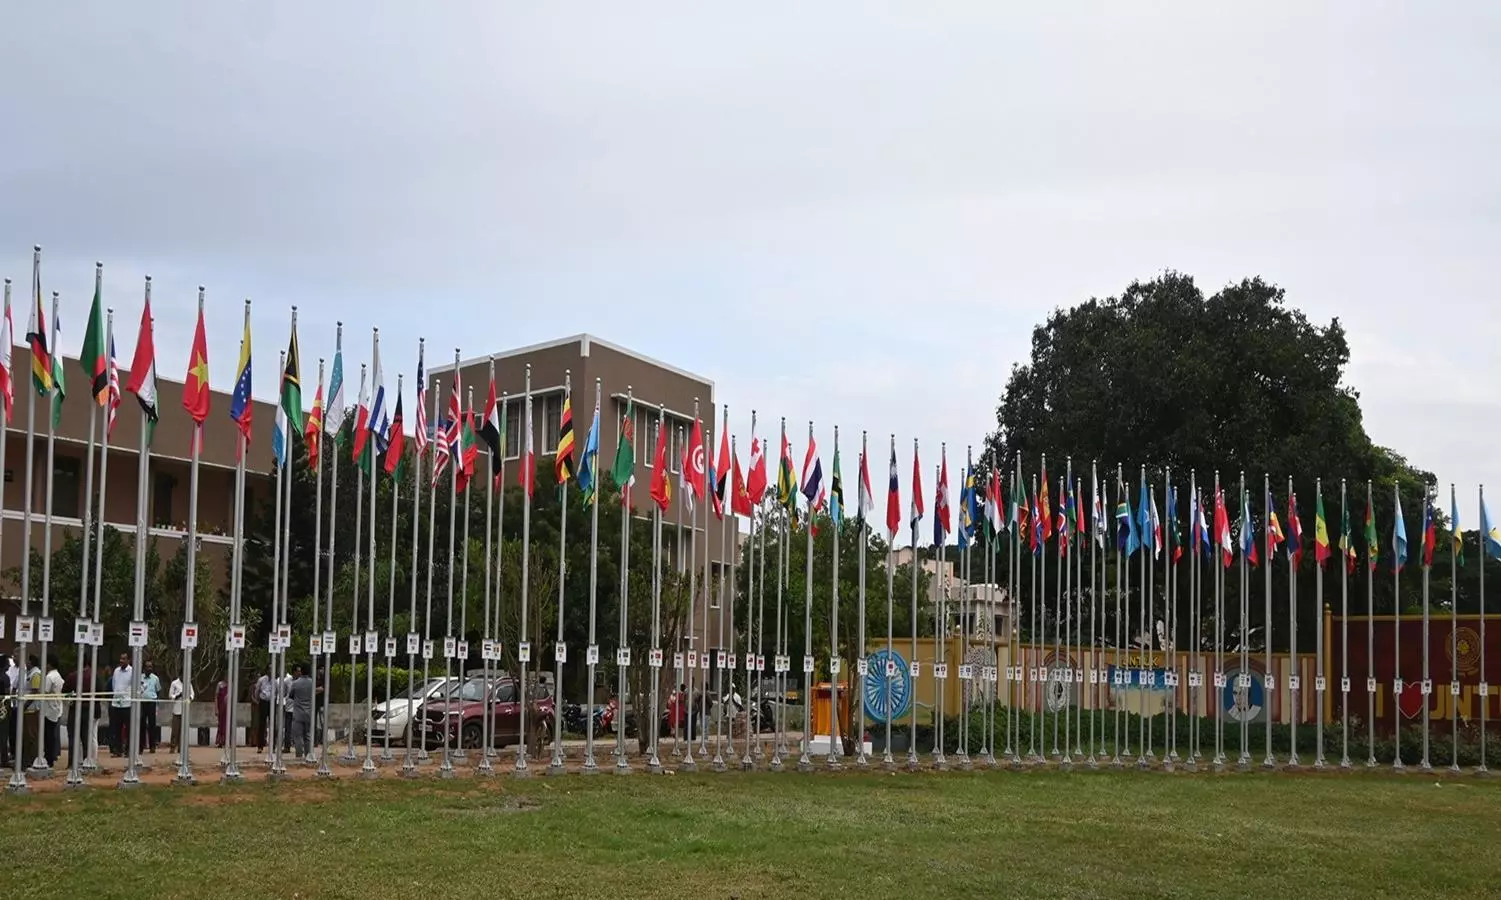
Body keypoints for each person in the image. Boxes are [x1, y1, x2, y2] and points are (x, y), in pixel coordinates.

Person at [108, 653, 133, 756]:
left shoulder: (132, 671)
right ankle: (118, 750)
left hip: (127, 704)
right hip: (116, 704)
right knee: (116, 728)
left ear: (128, 660)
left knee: (129, 729)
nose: (121, 661)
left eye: (124, 659)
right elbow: (114, 685)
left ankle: (128, 751)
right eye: (120, 658)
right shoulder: (116, 671)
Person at [288, 664, 314, 758]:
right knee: (308, 736)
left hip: (298, 713)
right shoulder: (312, 682)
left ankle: (299, 756)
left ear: (301, 671)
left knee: (298, 736)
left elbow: (291, 695)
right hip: (309, 713)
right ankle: (308, 756)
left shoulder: (296, 683)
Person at [41, 659, 64, 767]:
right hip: (57, 707)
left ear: (49, 664)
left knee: (48, 735)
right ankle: (52, 755)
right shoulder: (59, 676)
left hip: (49, 709)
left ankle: (49, 757)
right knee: (53, 734)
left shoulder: (49, 677)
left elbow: (44, 691)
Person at [169, 673, 195, 752]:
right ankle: (173, 747)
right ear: (180, 675)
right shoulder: (174, 683)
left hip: (185, 709)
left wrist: (189, 697)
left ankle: (181, 747)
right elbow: (170, 695)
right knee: (175, 730)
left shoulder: (188, 683)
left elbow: (192, 694)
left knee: (183, 730)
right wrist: (178, 695)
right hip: (177, 709)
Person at [140, 661, 162, 753]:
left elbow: (158, 691)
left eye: (151, 667)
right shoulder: (140, 677)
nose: (149, 668)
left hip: (152, 703)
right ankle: (140, 746)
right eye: (147, 667)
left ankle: (152, 746)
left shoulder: (155, 678)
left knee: (152, 725)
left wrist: (156, 704)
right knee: (141, 725)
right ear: (144, 668)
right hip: (141, 703)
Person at [214, 680, 229, 749]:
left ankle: (226, 741)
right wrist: (216, 708)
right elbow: (216, 697)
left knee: (227, 724)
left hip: (228, 708)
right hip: (221, 707)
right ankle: (220, 741)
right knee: (221, 724)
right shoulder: (220, 684)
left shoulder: (231, 685)